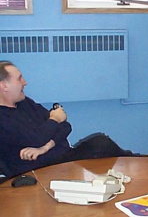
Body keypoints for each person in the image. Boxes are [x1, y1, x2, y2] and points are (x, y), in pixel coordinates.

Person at [0, 61, 134, 179]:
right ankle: (136, 161)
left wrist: (45, 147)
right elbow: (37, 138)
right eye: (19, 79)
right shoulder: (3, 118)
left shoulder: (25, 103)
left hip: (61, 157)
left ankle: (135, 160)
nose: (25, 82)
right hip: (39, 169)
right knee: (100, 144)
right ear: (4, 86)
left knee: (100, 143)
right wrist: (54, 119)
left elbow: (65, 126)